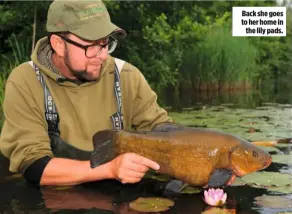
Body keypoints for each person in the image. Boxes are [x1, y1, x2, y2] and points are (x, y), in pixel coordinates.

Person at [0, 0, 172, 187]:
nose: (102, 55)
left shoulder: (126, 75)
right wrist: (110, 169)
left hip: (116, 195)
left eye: (105, 43)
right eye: (91, 46)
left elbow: (165, 135)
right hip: (54, 195)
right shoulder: (26, 81)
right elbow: (33, 167)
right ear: (58, 44)